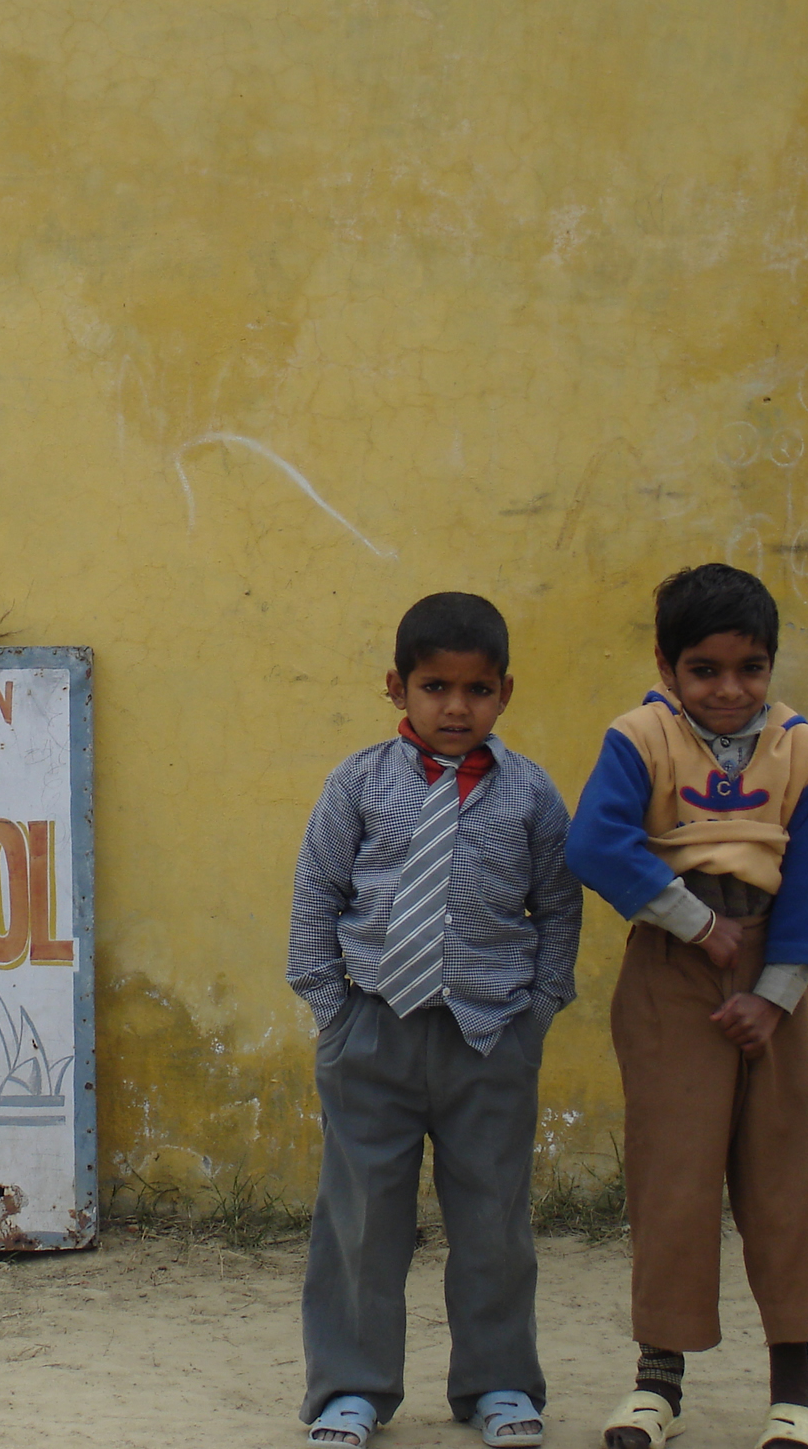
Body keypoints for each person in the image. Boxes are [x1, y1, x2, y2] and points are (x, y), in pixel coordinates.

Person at [287, 592, 582, 1448]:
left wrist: (538, 1010)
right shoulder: (359, 782)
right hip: (373, 1028)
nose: (456, 708)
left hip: (489, 1036)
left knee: (493, 1221)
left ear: (505, 692)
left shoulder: (529, 795)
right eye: (434, 687)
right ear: (397, 688)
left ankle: (499, 1385)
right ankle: (350, 1388)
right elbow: (318, 890)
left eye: (478, 689)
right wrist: (331, 1006)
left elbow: (558, 906)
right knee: (360, 1221)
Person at [565, 564, 808, 1449]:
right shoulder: (640, 738)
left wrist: (774, 995)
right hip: (672, 969)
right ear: (667, 665)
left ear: (771, 664)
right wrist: (696, 926)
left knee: (786, 1174)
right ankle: (658, 1384)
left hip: (776, 972)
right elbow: (597, 842)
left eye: (750, 668)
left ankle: (792, 1392)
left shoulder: (806, 751)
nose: (729, 690)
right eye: (705, 670)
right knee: (673, 1175)